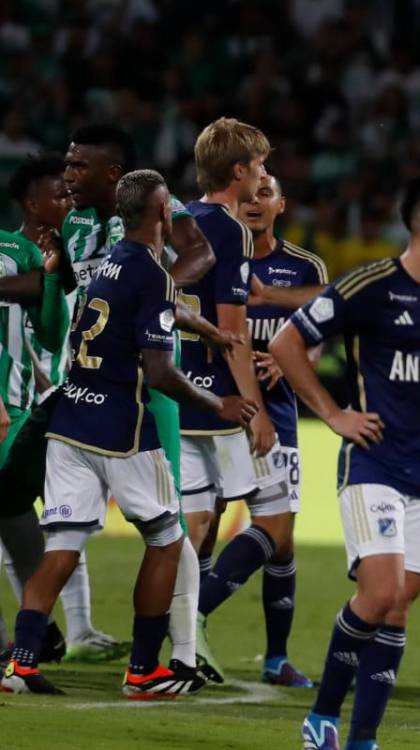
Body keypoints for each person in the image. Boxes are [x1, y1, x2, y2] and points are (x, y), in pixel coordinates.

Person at [1, 169, 255, 697]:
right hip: (123, 428)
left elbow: (147, 311)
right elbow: (160, 372)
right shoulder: (154, 273)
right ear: (164, 212)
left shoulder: (106, 264)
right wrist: (220, 402)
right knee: (166, 539)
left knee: (64, 543)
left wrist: (210, 331)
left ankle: (20, 665)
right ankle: (143, 671)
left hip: (69, 420)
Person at [278, 172, 420, 750]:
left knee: (398, 608)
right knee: (380, 593)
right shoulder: (368, 285)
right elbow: (286, 343)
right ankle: (321, 718)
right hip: (373, 466)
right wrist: (333, 414)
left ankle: (362, 738)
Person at [43, 124, 221, 677]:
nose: (68, 174)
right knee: (71, 523)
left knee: (166, 523)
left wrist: (155, 287)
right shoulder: (71, 222)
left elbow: (202, 253)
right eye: (67, 164)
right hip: (85, 383)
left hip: (145, 386)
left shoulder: (159, 209)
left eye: (79, 166)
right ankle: (109, 644)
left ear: (114, 174)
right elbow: (76, 291)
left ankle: (189, 651)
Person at [182, 118, 284, 681]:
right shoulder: (229, 229)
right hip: (219, 399)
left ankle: (179, 644)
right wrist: (256, 410)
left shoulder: (176, 217)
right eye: (261, 165)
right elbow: (232, 334)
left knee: (197, 521)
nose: (264, 174)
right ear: (240, 171)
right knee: (273, 519)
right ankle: (187, 626)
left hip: (175, 391)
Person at [216, 173, 327, 687]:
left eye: (267, 194)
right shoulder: (216, 254)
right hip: (215, 410)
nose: (256, 202)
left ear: (282, 204)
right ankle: (186, 632)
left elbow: (320, 335)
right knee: (201, 524)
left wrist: (290, 362)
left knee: (281, 541)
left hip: (277, 418)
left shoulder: (305, 268)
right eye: (250, 193)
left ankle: (276, 657)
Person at [0, 155, 74, 653]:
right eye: (59, 195)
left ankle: (40, 626)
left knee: (18, 510)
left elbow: (52, 327)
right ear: (32, 203)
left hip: (44, 402)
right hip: (8, 404)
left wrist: (56, 273)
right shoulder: (6, 249)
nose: (68, 202)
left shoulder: (70, 252)